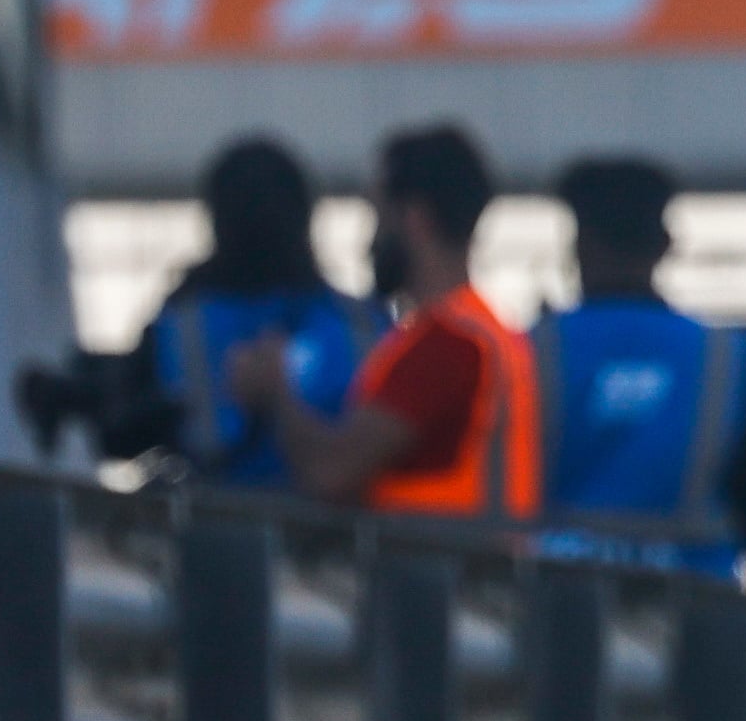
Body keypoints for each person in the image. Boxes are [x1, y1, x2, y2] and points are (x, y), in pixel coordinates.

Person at [234, 122, 537, 519]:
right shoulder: (482, 332)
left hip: (441, 570)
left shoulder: (445, 346)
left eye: (378, 218)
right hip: (465, 569)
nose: (369, 243)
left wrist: (276, 392)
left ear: (414, 219)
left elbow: (330, 472)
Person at [533, 155, 746, 573]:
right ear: (665, 245)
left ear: (580, 245)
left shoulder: (529, 351)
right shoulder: (728, 359)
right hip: (693, 619)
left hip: (552, 613)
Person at [135, 137, 367, 488]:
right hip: (354, 532)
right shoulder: (361, 322)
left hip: (220, 530)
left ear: (216, 221)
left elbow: (139, 427)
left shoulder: (183, 324)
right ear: (306, 215)